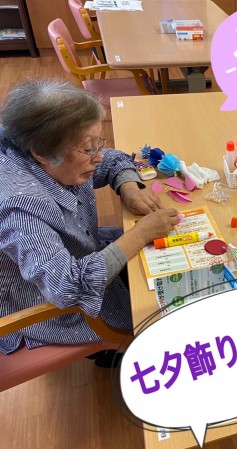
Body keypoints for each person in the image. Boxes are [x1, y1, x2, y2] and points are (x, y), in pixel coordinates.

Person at [0, 79, 180, 359]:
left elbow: (112, 159)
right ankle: (116, 354)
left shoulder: (49, 152)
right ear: (42, 152)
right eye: (88, 148)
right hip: (46, 306)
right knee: (160, 318)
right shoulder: (20, 208)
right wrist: (140, 234)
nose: (98, 156)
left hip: (81, 250)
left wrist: (129, 187)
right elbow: (66, 287)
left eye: (98, 143)